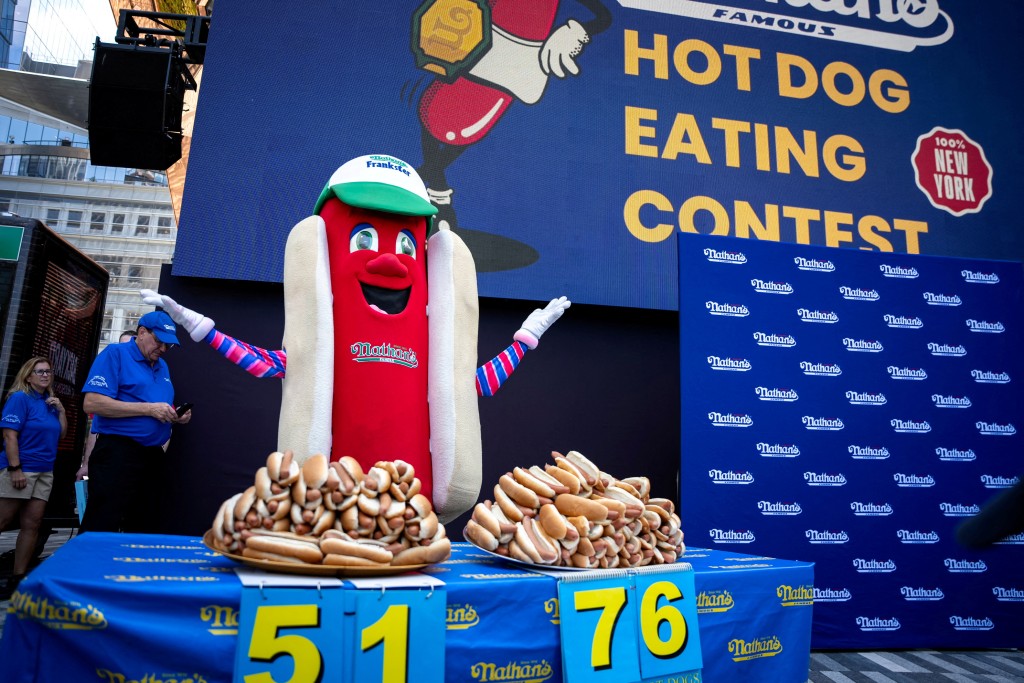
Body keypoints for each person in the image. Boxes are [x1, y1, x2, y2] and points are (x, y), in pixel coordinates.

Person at [79, 311, 192, 533]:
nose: (163, 349)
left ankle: (131, 567)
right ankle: (90, 567)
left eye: (168, 346)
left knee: (144, 523)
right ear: (141, 332)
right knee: (103, 521)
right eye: (159, 341)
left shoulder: (162, 366)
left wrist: (175, 416)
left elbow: (157, 408)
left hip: (151, 455)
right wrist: (149, 409)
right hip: (118, 451)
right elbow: (92, 403)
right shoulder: (116, 354)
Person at [0, 357, 66, 598]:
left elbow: (61, 433)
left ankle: (17, 579)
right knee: (3, 521)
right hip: (21, 468)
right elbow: (9, 436)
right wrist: (15, 468)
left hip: (45, 470)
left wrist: (61, 410)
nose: (45, 375)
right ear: (28, 376)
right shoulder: (19, 398)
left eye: (48, 371)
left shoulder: (50, 403)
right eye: (39, 372)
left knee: (32, 525)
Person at [77, 330, 137, 482]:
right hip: (111, 455)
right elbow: (93, 426)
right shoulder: (109, 377)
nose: (124, 350)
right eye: (122, 345)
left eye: (129, 346)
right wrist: (86, 463)